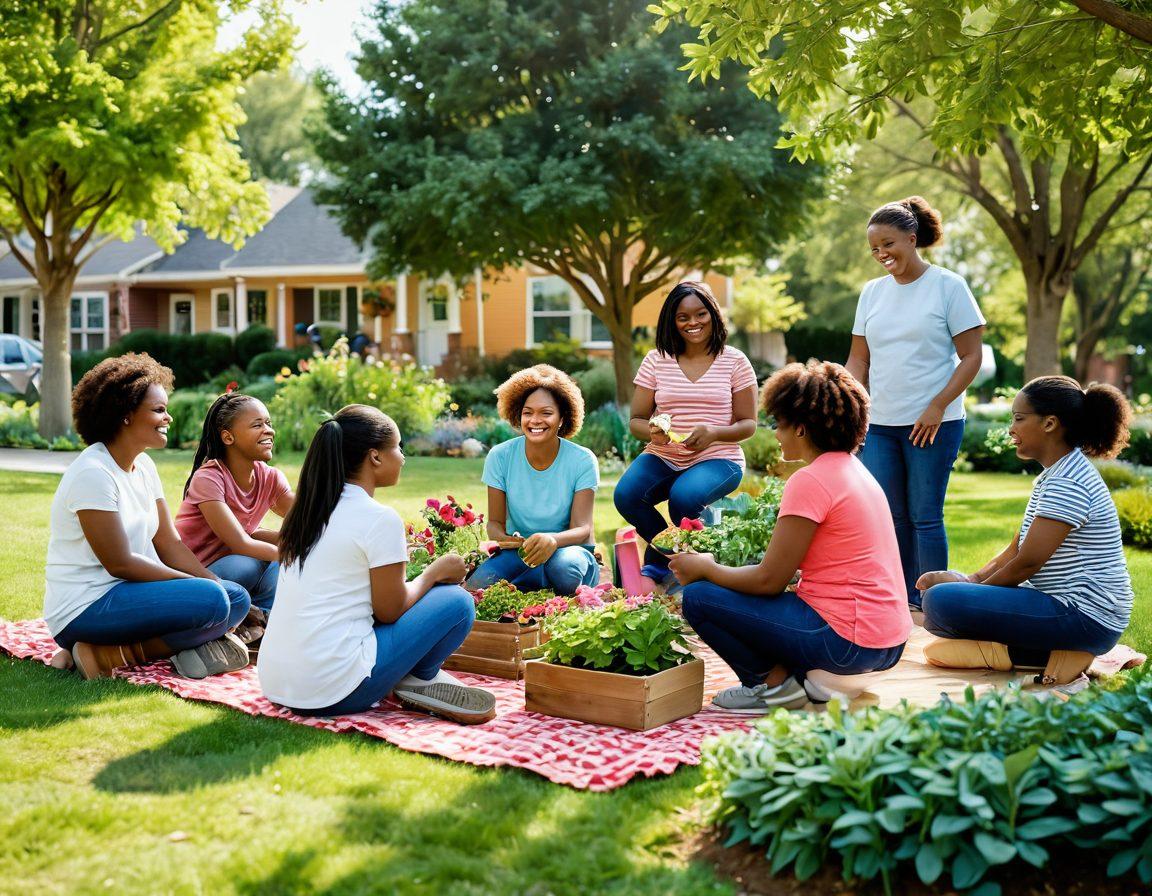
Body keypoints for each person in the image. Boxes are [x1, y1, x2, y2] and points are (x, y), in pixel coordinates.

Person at [670, 361, 911, 713]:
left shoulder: (810, 480)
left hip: (848, 644)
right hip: (889, 642)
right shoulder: (857, 472)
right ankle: (802, 681)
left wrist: (706, 567)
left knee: (699, 598)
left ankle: (772, 688)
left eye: (779, 425)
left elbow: (769, 580)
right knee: (748, 593)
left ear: (800, 428)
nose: (776, 434)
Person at [257, 405, 495, 723]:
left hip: (277, 684)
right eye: (398, 447)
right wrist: (435, 572)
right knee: (457, 602)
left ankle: (405, 673)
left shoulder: (305, 512)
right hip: (337, 691)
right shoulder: (378, 518)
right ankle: (416, 678)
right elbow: (390, 610)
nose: (403, 456)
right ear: (375, 457)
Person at [44, 354, 251, 680]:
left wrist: (210, 581)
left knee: (235, 598)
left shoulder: (145, 468)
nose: (167, 417)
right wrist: (198, 587)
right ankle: (100, 648)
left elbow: (169, 542)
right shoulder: (93, 474)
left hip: (129, 595)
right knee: (212, 601)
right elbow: (120, 564)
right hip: (86, 605)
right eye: (158, 410)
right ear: (125, 415)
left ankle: (103, 653)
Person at [918, 376, 1133, 684]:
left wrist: (972, 593)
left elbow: (1027, 563)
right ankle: (1013, 647)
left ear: (1049, 424)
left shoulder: (1068, 482)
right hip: (1065, 606)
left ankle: (1042, 656)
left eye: (1019, 418)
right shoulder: (1056, 474)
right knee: (941, 599)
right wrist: (970, 580)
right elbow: (1016, 550)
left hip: (1085, 617)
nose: (1011, 429)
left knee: (941, 603)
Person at [845, 197, 985, 610]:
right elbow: (859, 359)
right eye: (874, 248)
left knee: (925, 516)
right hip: (880, 425)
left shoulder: (948, 286)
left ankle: (936, 601)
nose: (881, 254)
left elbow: (972, 355)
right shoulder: (871, 293)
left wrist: (938, 405)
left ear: (912, 237)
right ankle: (903, 600)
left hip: (933, 423)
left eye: (888, 243)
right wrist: (852, 406)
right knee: (892, 516)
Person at [614, 280, 758, 588]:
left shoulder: (735, 361)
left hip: (719, 457)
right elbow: (636, 420)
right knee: (626, 496)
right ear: (672, 322)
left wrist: (714, 433)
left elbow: (748, 424)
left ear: (713, 315)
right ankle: (668, 556)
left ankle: (684, 571)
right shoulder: (656, 360)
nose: (693, 322)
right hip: (664, 455)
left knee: (684, 497)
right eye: (683, 317)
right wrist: (653, 433)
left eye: (701, 314)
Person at [467, 364, 600, 595]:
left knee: (565, 571)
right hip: (521, 552)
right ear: (518, 415)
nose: (535, 420)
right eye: (528, 412)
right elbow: (494, 524)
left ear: (562, 418)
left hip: (569, 550)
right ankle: (537, 584)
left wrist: (551, 540)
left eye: (546, 413)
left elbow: (582, 528)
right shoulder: (500, 456)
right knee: (478, 584)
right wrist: (510, 541)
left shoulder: (582, 460)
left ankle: (537, 584)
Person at [175, 390, 294, 628]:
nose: (268, 430)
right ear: (228, 437)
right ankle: (247, 621)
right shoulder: (209, 477)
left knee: (280, 562)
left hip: (233, 566)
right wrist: (294, 552)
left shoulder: (270, 477)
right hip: (196, 573)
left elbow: (305, 519)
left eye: (269, 423)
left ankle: (262, 622)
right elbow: (240, 543)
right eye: (257, 425)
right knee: (256, 560)